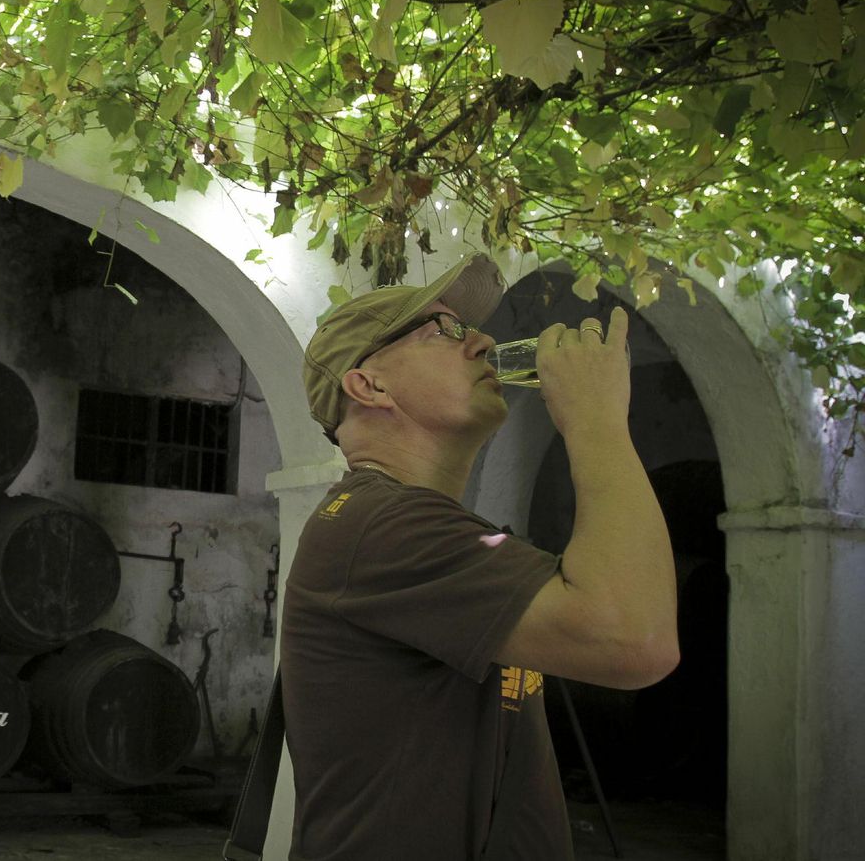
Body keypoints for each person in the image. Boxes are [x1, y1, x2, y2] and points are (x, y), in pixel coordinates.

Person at [279, 253, 679, 860]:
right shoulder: (382, 524)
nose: (483, 342)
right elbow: (633, 638)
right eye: (445, 331)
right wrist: (596, 421)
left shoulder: (428, 528)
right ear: (369, 385)